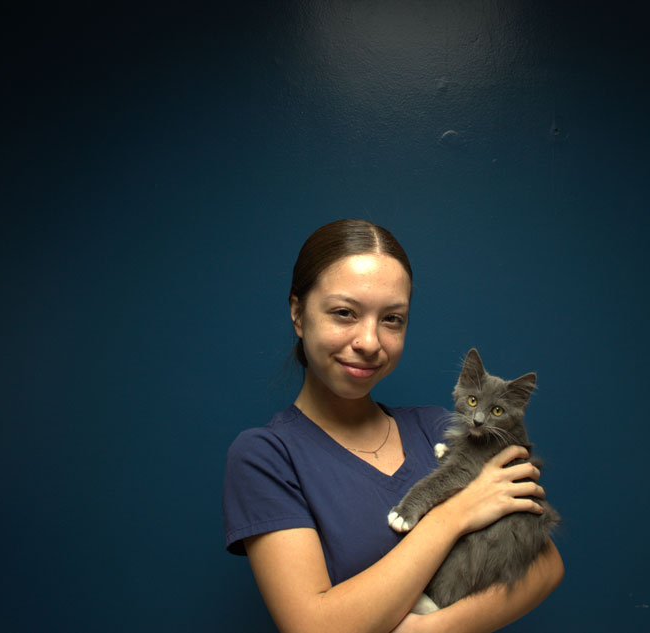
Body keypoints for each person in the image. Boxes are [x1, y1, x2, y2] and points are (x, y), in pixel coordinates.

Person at [223, 219, 563, 633]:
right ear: (298, 313)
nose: (369, 341)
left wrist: (431, 630)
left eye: (392, 319)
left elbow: (545, 564)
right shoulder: (267, 457)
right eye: (345, 313)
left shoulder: (440, 428)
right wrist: (453, 515)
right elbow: (314, 627)